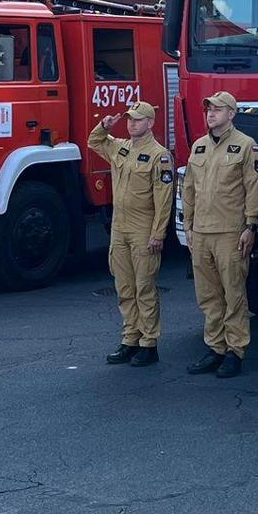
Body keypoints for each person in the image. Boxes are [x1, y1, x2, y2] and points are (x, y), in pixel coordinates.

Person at [180, 91, 258, 379]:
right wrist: (188, 226)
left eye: (217, 109)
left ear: (231, 114)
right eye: (208, 110)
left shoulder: (245, 146)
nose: (210, 114)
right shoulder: (199, 146)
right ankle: (215, 348)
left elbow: (253, 188)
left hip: (230, 232)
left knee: (234, 293)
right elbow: (188, 189)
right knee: (209, 296)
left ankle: (235, 351)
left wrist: (251, 226)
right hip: (201, 232)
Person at [88, 101, 175, 366]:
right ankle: (130, 339)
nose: (132, 123)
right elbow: (94, 142)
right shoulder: (121, 148)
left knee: (144, 287)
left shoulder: (160, 156)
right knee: (124, 287)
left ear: (150, 123)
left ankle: (149, 343)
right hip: (120, 226)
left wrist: (158, 233)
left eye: (137, 120)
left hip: (143, 226)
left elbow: (164, 197)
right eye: (129, 119)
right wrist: (104, 126)